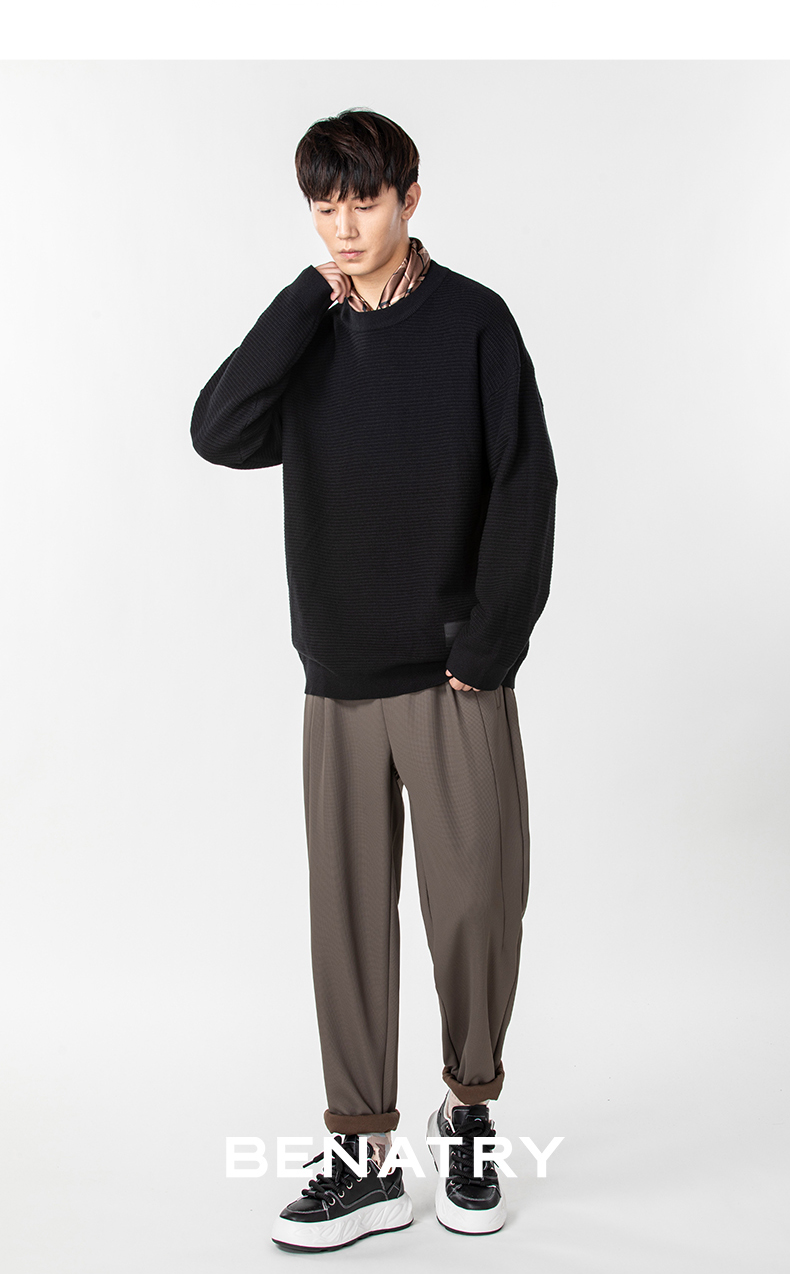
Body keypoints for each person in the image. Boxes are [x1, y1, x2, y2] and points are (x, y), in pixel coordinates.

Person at [190, 107, 558, 1253]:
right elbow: (219, 428)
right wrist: (304, 302)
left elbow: (526, 482)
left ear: (409, 198)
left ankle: (470, 1113)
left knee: (475, 905)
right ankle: (361, 1156)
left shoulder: (474, 321)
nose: (344, 226)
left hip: (454, 674)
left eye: (363, 201)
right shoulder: (308, 332)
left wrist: (488, 646)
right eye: (325, 206)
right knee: (346, 920)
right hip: (338, 673)